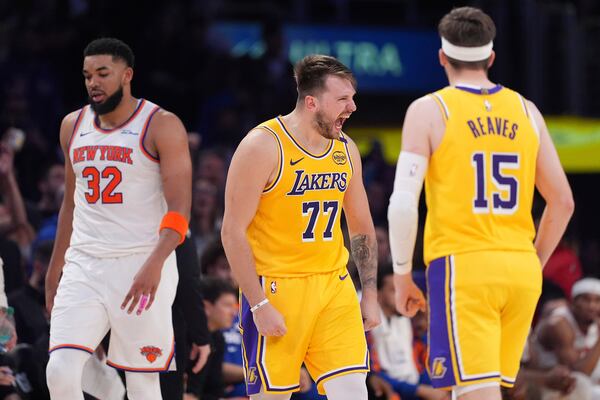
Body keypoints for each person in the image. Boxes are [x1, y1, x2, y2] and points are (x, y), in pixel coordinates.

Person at [387, 7, 574, 400]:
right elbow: (562, 202)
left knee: (476, 393)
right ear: (491, 58)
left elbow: (403, 204)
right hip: (520, 269)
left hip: (464, 266)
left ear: (442, 57)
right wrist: (532, 261)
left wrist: (402, 275)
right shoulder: (528, 111)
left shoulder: (428, 110)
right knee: (474, 389)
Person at [221, 54, 380, 400]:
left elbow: (362, 227)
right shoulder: (262, 145)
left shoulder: (346, 149)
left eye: (352, 97)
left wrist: (369, 292)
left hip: (333, 286)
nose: (352, 107)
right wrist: (258, 304)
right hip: (277, 288)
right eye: (342, 99)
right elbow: (231, 231)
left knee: (354, 392)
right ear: (311, 102)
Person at [44, 37, 192, 400]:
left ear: (127, 75)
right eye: (87, 75)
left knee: (142, 381)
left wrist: (156, 263)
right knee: (60, 371)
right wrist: (54, 266)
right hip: (85, 264)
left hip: (142, 262)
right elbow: (71, 203)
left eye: (102, 73)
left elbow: (179, 208)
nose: (93, 81)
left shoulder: (161, 124)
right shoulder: (72, 125)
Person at [369, 267, 448, 400]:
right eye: (394, 290)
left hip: (413, 388)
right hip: (388, 392)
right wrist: (418, 390)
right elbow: (372, 375)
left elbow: (420, 364)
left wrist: (435, 388)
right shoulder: (367, 322)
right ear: (378, 294)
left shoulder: (407, 320)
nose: (400, 295)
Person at [531, 277, 600, 398]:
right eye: (586, 299)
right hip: (548, 382)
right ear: (573, 301)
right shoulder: (559, 324)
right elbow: (580, 373)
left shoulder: (593, 321)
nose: (592, 306)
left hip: (578, 381)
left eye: (597, 301)